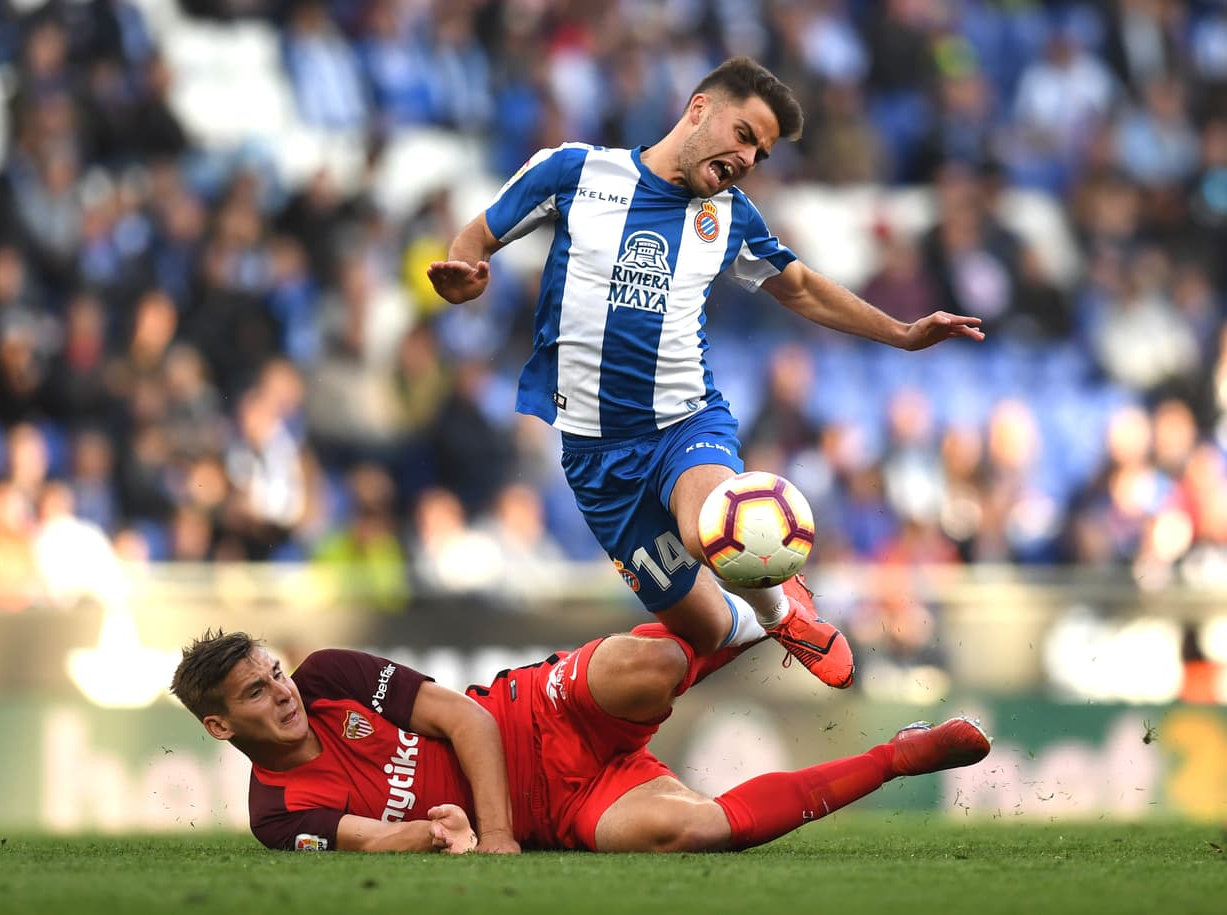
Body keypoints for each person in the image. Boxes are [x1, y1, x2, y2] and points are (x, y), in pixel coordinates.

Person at [426, 56, 984, 691]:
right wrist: (462, 282)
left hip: (684, 423)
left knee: (714, 527)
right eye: (744, 136)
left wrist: (902, 333)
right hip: (593, 455)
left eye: (761, 154)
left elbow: (798, 287)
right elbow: (474, 240)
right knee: (705, 630)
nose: (748, 159)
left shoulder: (731, 216)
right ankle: (763, 616)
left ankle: (784, 609)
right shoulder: (574, 171)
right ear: (699, 110)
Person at [170, 626, 991, 854]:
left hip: (534, 712)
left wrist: (488, 834)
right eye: (254, 691)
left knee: (655, 664)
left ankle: (770, 613)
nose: (280, 692)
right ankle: (901, 753)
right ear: (219, 724)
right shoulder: (278, 813)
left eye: (270, 672)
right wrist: (429, 832)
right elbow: (371, 836)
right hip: (564, 809)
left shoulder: (326, 677)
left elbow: (469, 719)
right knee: (696, 829)